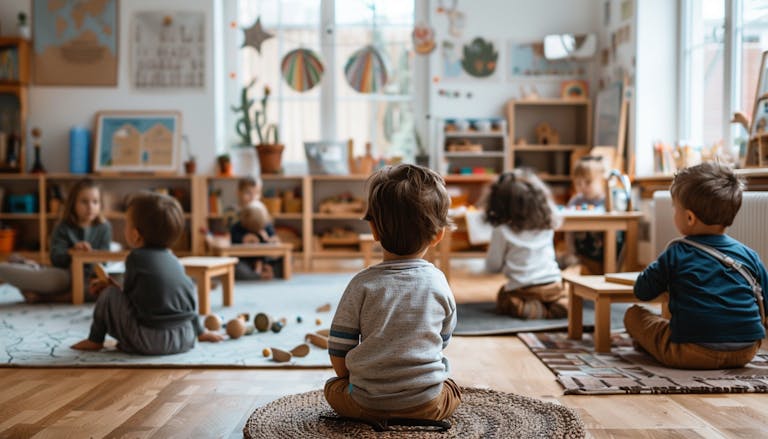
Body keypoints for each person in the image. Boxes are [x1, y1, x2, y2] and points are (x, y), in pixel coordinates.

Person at [325, 164, 461, 423]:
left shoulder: (361, 284)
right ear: (438, 236)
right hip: (426, 403)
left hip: (366, 403)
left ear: (374, 230)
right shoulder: (439, 282)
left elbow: (339, 346)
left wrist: (350, 381)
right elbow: (442, 338)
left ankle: (371, 408)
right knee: (452, 388)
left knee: (332, 388)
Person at [625, 162, 768, 369]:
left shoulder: (676, 251)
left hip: (690, 352)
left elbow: (642, 291)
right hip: (746, 351)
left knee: (634, 315)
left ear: (690, 217)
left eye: (675, 209)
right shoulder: (749, 255)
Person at [71, 192, 223, 354]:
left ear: (136, 235)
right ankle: (200, 334)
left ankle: (95, 340)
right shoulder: (175, 261)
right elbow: (187, 302)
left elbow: (129, 300)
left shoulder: (135, 258)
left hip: (148, 340)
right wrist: (201, 332)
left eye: (127, 224)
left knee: (108, 295)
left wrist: (110, 288)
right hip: (184, 338)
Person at [0, 178, 112, 303]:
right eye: (84, 202)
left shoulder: (104, 227)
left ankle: (43, 297)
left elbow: (105, 260)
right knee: (56, 281)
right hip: (65, 275)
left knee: (102, 289)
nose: (90, 207)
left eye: (95, 202)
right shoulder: (62, 226)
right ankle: (29, 267)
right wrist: (72, 251)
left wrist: (91, 255)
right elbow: (55, 257)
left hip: (90, 278)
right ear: (73, 203)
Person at [485, 169, 566, 319]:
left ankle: (530, 309)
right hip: (553, 284)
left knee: (504, 295)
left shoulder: (502, 231)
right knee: (559, 295)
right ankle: (558, 305)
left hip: (522, 288)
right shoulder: (547, 226)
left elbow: (492, 266)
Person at [565, 155, 610, 274]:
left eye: (588, 182)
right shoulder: (575, 201)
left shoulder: (607, 201)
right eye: (578, 183)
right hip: (580, 253)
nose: (583, 187)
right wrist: (570, 252)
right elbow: (568, 231)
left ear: (601, 180)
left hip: (603, 253)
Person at [231, 201, 281, 280]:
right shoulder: (237, 228)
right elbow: (233, 243)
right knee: (237, 268)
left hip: (266, 259)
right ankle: (259, 275)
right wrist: (243, 239)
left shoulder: (267, 226)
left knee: (287, 261)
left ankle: (267, 271)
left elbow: (276, 243)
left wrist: (271, 240)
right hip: (246, 261)